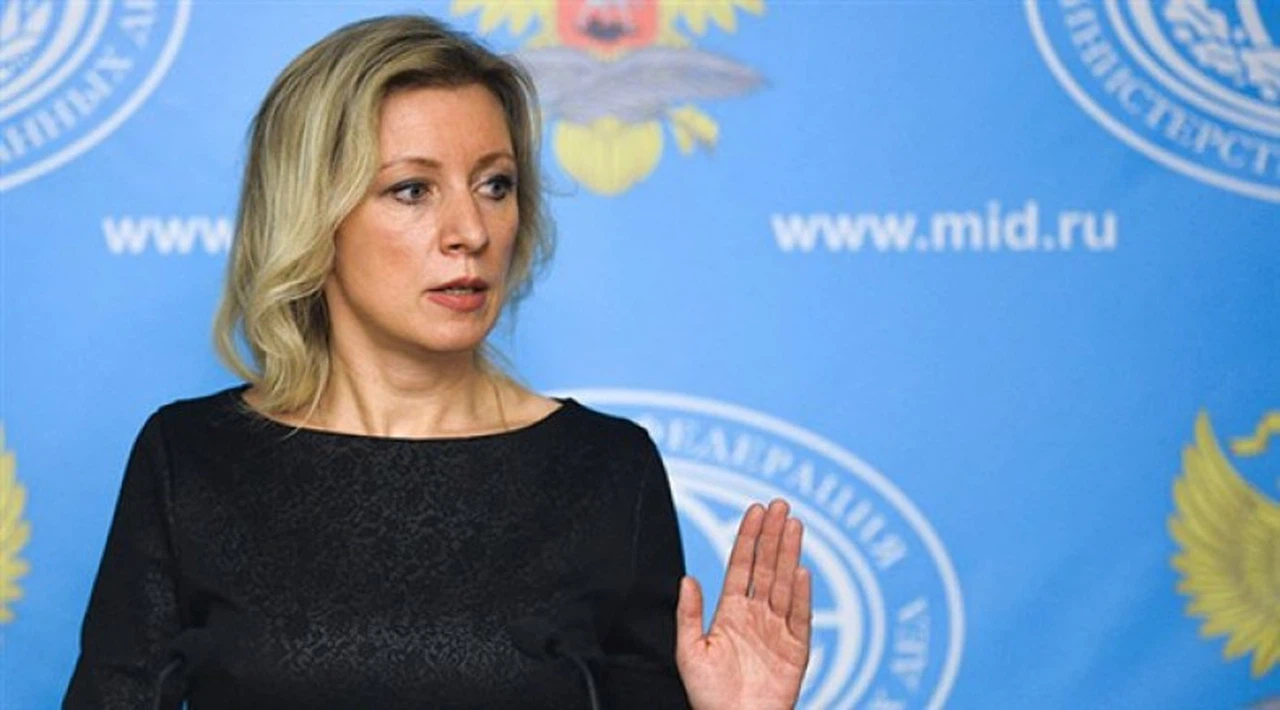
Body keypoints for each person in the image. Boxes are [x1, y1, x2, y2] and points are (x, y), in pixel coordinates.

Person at [63, 14, 811, 709]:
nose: (470, 231)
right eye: (412, 190)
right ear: (312, 214)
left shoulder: (607, 468)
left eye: (495, 185)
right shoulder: (192, 459)